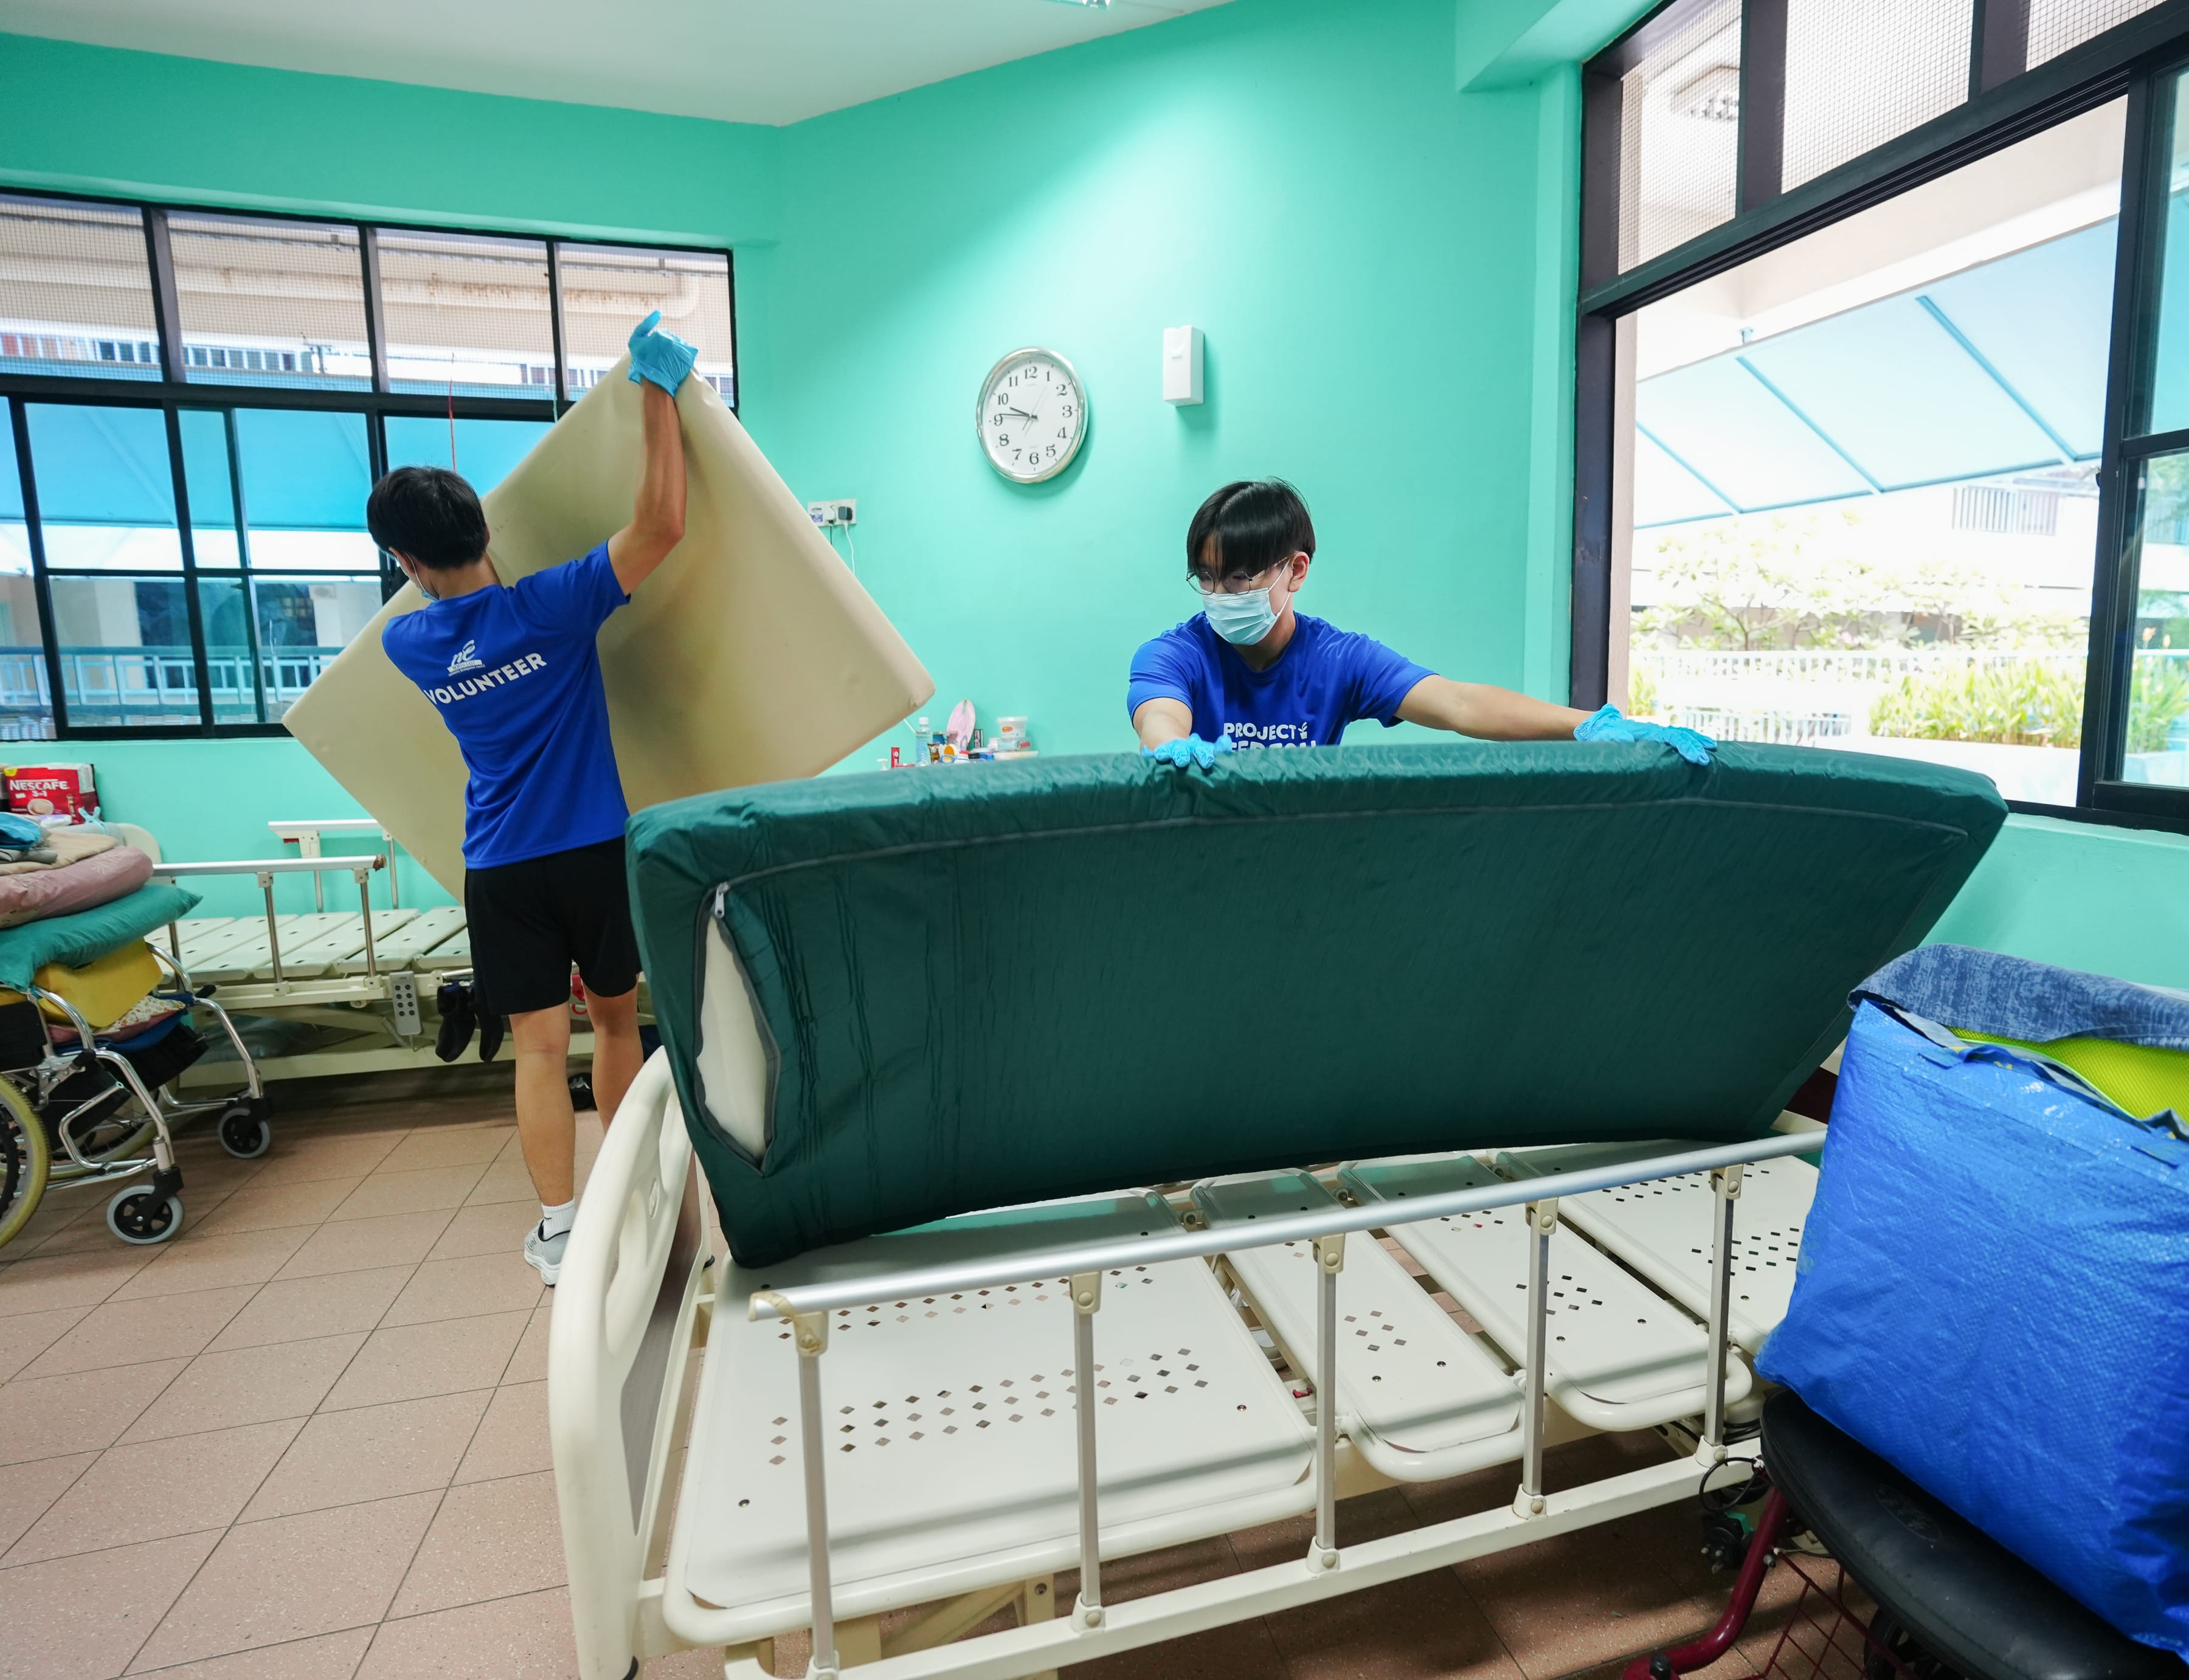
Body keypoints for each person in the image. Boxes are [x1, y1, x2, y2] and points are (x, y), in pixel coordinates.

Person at [371, 312, 697, 1285]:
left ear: (406, 563)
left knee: (538, 1050)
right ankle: (637, 1198)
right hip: (596, 851)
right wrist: (656, 391)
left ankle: (559, 1230)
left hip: (503, 868)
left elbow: (448, 603)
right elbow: (662, 524)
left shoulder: (407, 644)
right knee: (616, 1025)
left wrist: (437, 565)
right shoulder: (553, 604)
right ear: (487, 529)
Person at [1128, 479, 1714, 766]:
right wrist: (1172, 747)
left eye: (1238, 579)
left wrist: (1588, 726)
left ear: (1296, 570)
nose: (1220, 596)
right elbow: (1159, 716)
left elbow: (1458, 702)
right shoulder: (1174, 654)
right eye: (1207, 579)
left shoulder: (1338, 659)